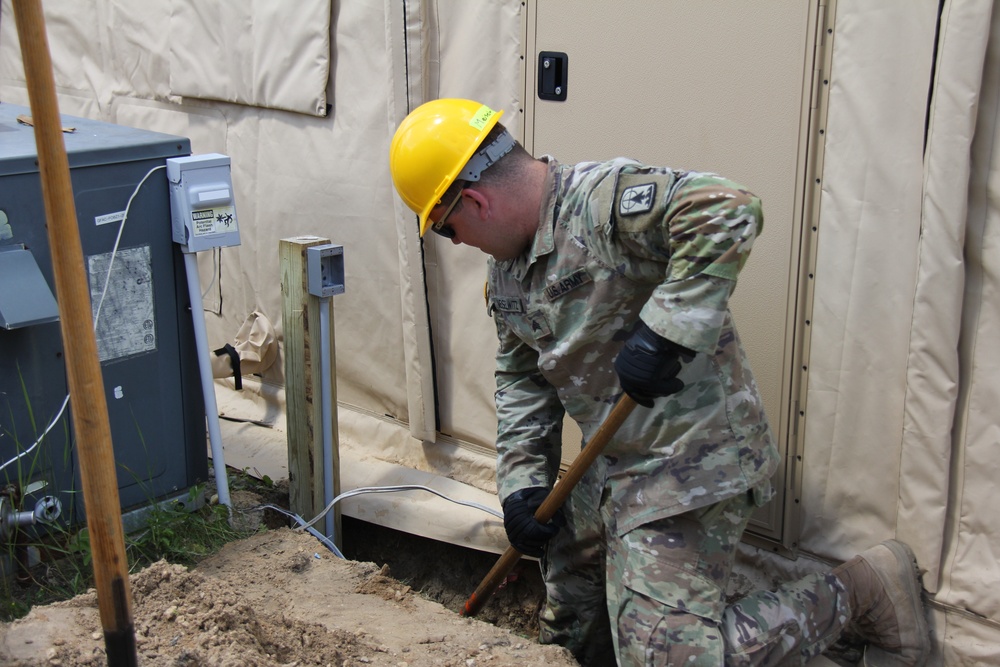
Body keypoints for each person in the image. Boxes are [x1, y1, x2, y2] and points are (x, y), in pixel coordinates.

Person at [389, 98, 931, 667]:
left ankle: (860, 594)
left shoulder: (600, 204)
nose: (456, 244)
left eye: (447, 229)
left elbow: (728, 208)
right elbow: (522, 379)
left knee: (665, 660)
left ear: (474, 200)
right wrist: (523, 485)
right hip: (610, 466)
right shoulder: (506, 275)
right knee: (571, 605)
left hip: (690, 461)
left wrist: (666, 329)